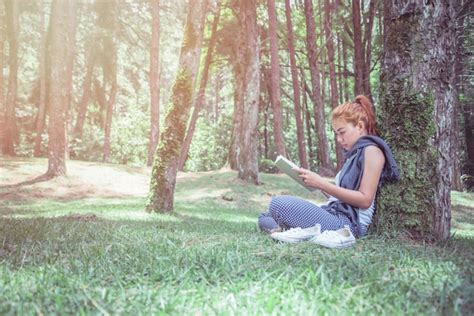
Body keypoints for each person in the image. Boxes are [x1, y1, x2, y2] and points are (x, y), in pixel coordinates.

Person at [257, 95, 400, 240]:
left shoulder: (372, 151)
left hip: (347, 224)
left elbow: (365, 200)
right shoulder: (354, 154)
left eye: (342, 132)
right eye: (336, 134)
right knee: (265, 216)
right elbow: (340, 196)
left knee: (278, 203)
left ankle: (298, 232)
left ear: (360, 126)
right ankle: (295, 233)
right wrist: (316, 184)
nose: (339, 139)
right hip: (333, 213)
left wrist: (321, 183)